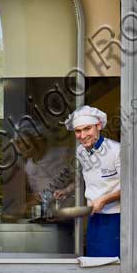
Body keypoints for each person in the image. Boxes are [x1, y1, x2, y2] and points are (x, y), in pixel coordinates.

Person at [55, 105, 120, 257]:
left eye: (87, 129)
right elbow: (85, 177)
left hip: (116, 218)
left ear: (98, 126)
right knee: (93, 263)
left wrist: (105, 199)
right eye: (78, 131)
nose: (83, 135)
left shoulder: (117, 151)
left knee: (111, 267)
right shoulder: (81, 151)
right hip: (94, 218)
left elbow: (131, 188)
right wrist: (67, 190)